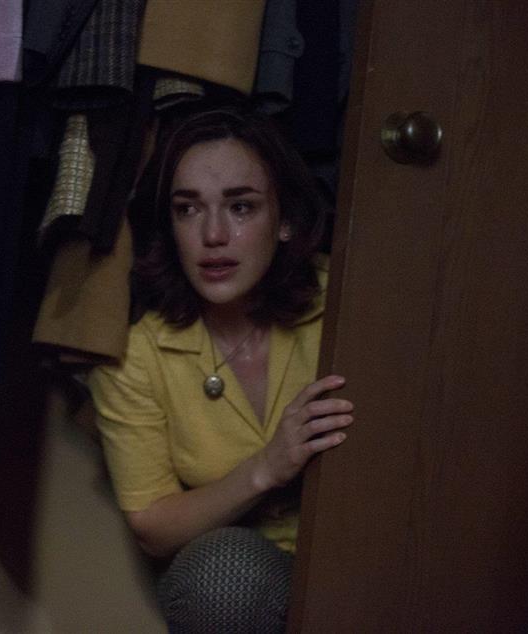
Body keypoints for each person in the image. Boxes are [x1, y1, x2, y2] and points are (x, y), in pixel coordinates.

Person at [87, 107, 355, 633]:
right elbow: (153, 528)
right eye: (188, 209)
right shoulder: (136, 352)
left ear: (285, 220)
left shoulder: (349, 303)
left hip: (361, 556)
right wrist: (265, 468)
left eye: (241, 207)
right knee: (225, 575)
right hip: (238, 580)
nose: (213, 235)